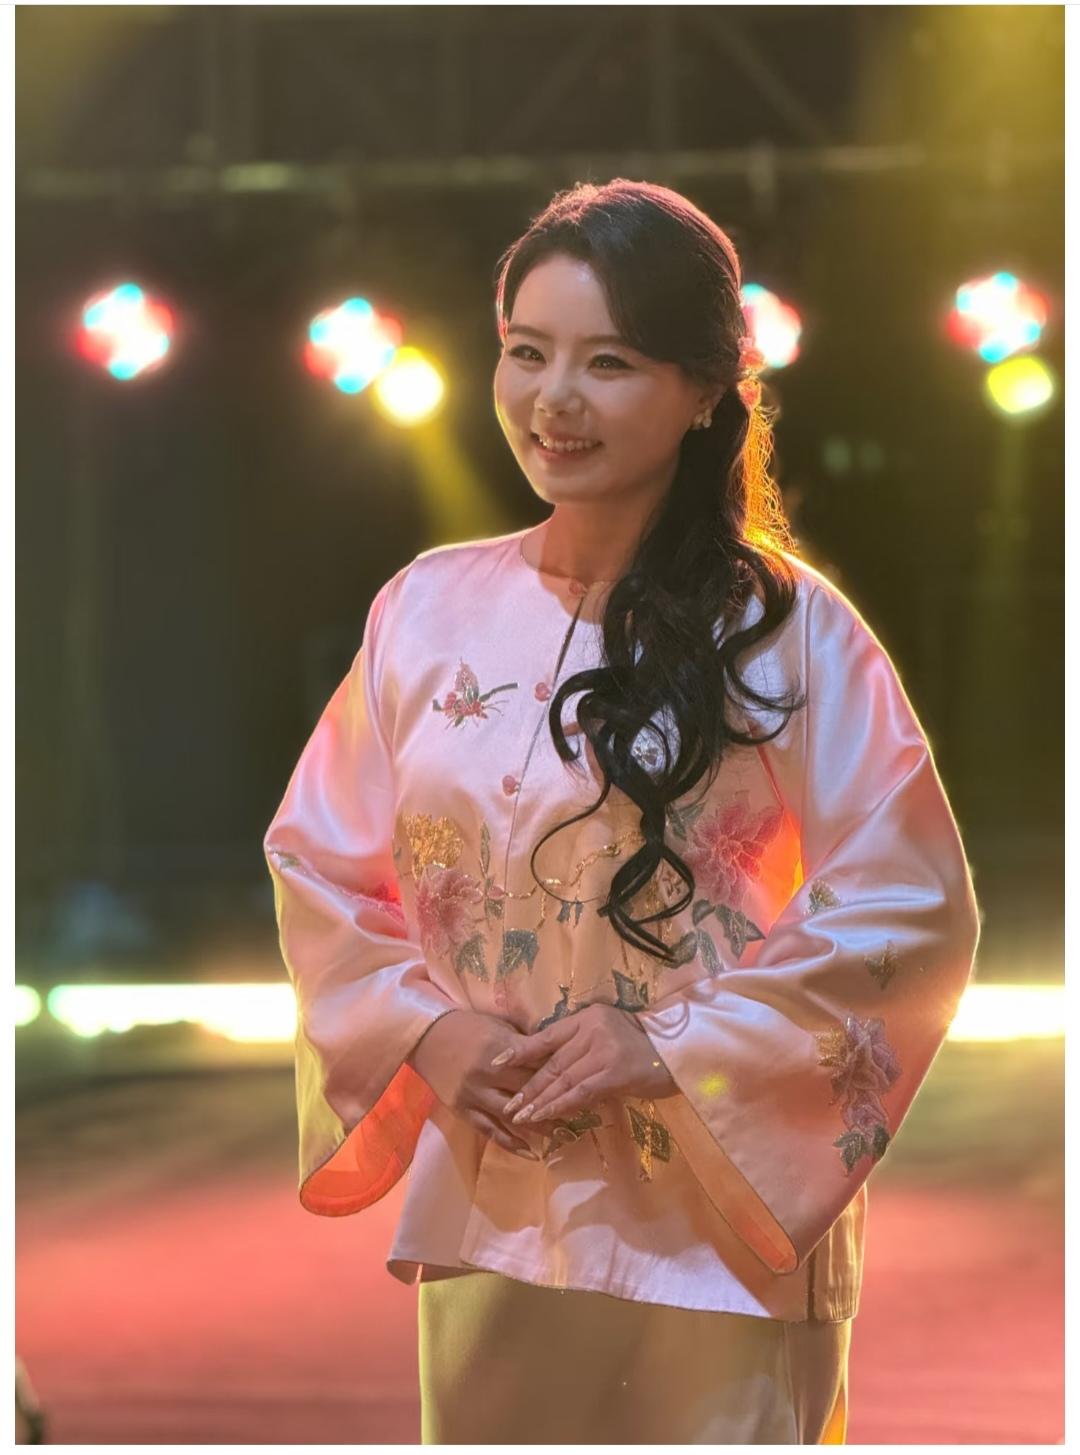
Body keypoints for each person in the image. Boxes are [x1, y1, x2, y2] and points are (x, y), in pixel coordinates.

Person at [263, 179, 980, 1444]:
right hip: (496, 1205)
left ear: (705, 390)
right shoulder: (425, 610)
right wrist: (429, 1033)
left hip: (717, 1219)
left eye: (608, 362)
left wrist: (673, 1044)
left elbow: (906, 903)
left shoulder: (791, 632)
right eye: (526, 352)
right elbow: (320, 863)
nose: (554, 398)